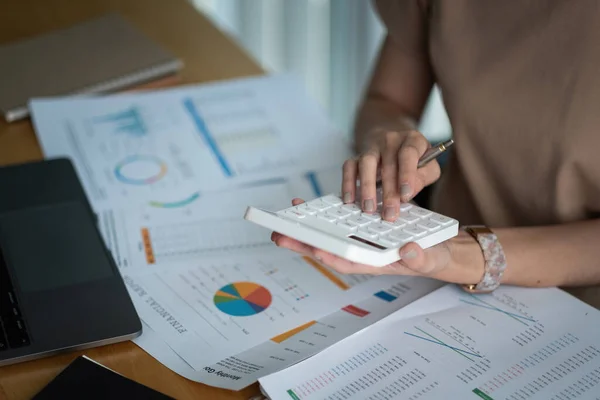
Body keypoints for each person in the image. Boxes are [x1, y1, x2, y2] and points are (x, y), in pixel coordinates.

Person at [271, 0, 600, 306]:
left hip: (577, 303)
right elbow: (386, 100)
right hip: (435, 264)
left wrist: (462, 256)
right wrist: (388, 140)